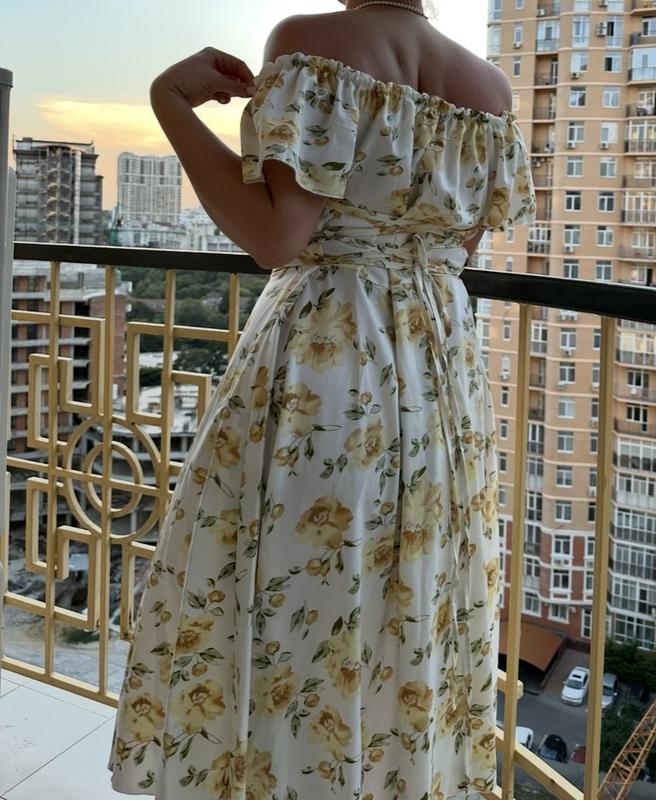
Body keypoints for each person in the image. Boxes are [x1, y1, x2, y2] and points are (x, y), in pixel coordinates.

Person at [107, 2, 537, 798]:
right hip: (438, 377)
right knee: (407, 598)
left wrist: (171, 101)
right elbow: (458, 246)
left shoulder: (310, 42)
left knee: (297, 589)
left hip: (330, 364)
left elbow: (278, 238)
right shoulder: (489, 89)